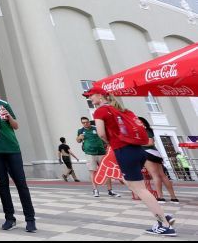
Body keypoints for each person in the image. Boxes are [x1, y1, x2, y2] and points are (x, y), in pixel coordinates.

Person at [84, 86, 176, 236]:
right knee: (131, 183)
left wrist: (110, 142)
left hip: (124, 151)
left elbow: (101, 133)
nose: (89, 98)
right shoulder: (122, 110)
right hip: (138, 151)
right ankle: (162, 216)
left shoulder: (100, 111)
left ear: (100, 95)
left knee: (140, 189)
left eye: (91, 95)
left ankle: (165, 225)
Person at [0, 78, 36, 232]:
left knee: (21, 184)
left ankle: (30, 219)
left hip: (11, 149)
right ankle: (9, 218)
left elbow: (16, 126)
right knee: (3, 185)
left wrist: (9, 117)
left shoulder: (3, 104)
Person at [138, 117, 179, 203]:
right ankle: (173, 197)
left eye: (139, 122)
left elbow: (150, 142)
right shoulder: (148, 130)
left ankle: (160, 197)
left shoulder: (145, 131)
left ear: (143, 123)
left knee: (155, 175)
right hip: (155, 153)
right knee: (162, 175)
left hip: (148, 153)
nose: (137, 123)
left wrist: (137, 143)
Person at [76, 116, 119, 196]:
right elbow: (78, 140)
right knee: (92, 171)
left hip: (101, 152)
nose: (85, 124)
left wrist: (108, 144)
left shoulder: (96, 128)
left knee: (106, 171)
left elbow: (104, 136)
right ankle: (95, 190)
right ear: (82, 123)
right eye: (83, 123)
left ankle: (110, 190)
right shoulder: (80, 131)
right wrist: (79, 138)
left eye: (87, 122)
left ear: (89, 122)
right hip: (89, 153)